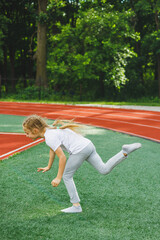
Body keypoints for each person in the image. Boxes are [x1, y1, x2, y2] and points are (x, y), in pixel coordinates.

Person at [23, 114, 142, 213]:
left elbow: (62, 157)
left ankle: (76, 206)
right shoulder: (51, 131)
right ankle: (124, 152)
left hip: (79, 150)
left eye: (27, 133)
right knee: (104, 169)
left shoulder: (49, 136)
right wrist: (48, 166)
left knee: (66, 176)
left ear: (35, 130)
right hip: (88, 145)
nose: (26, 135)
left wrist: (58, 177)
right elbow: (52, 150)